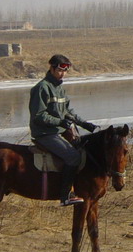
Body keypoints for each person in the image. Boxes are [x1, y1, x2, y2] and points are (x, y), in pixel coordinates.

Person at [29, 54, 99, 206]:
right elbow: (38, 116)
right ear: (52, 68)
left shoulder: (59, 88)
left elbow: (67, 111)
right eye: (60, 70)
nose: (63, 74)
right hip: (45, 133)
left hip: (59, 130)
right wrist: (60, 122)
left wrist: (84, 124)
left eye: (65, 71)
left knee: (83, 149)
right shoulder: (42, 88)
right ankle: (65, 195)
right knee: (73, 157)